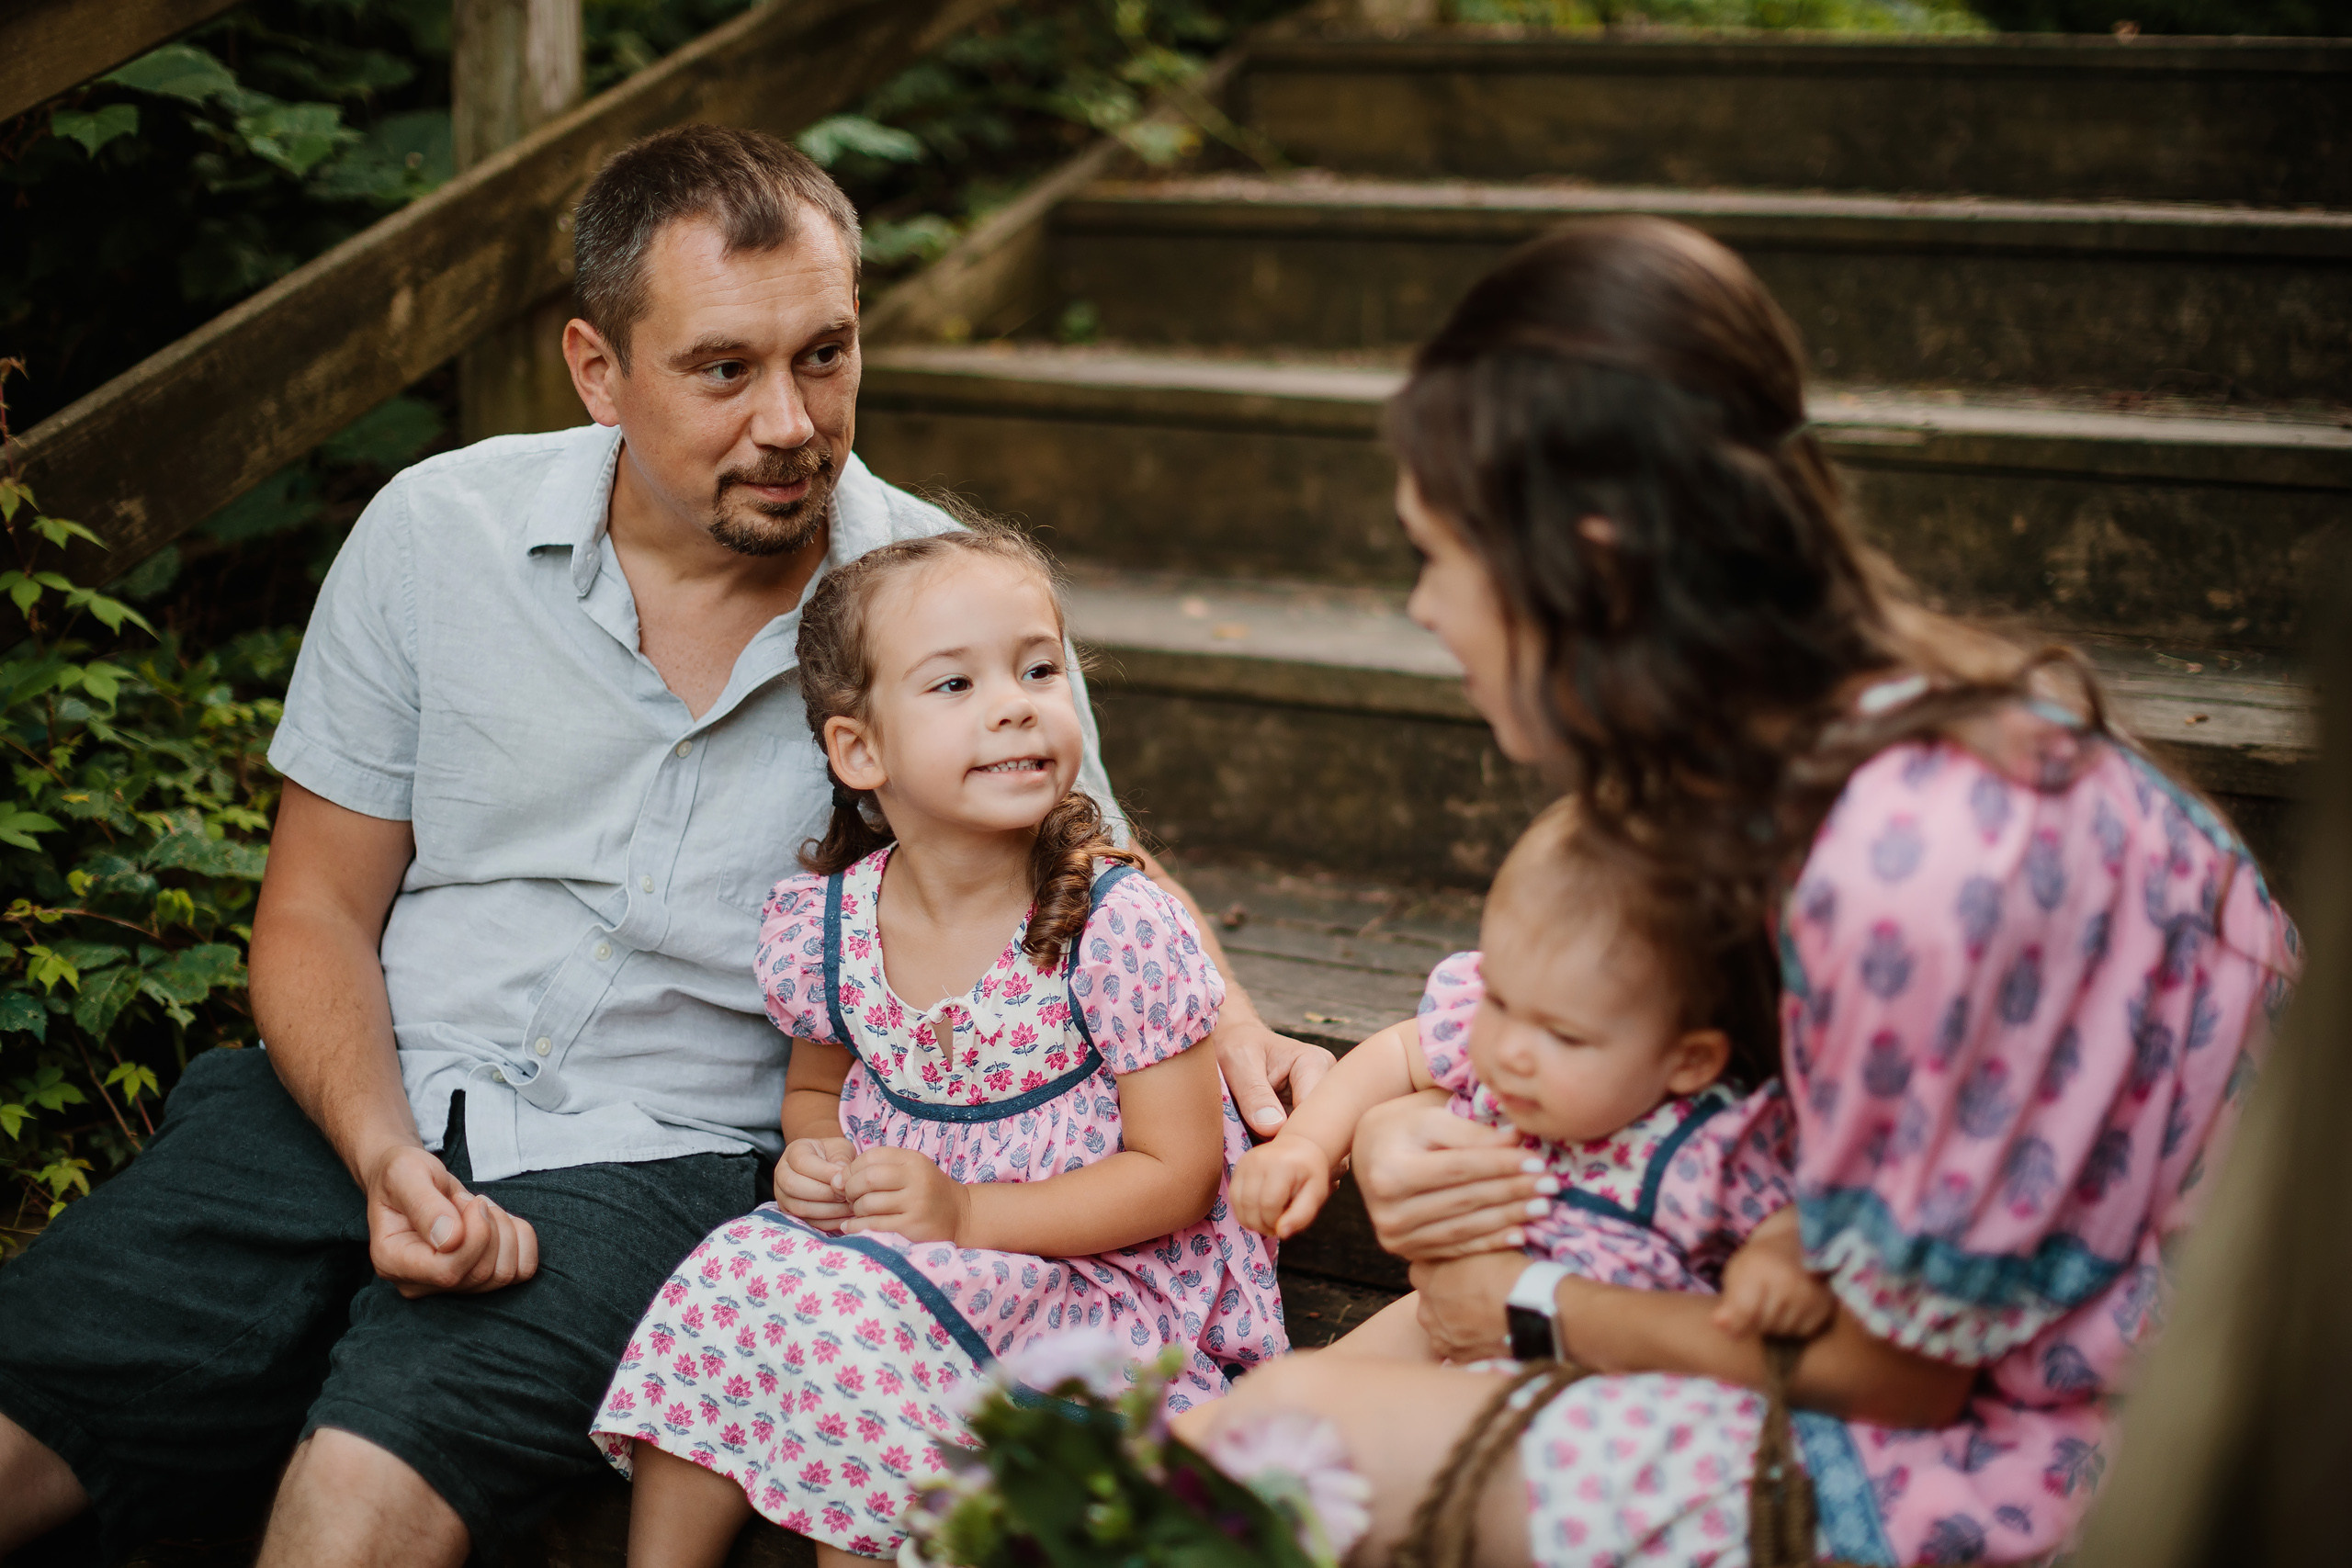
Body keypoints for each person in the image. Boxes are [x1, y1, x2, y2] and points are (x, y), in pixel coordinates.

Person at [0, 126, 1326, 1568]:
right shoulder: (437, 533)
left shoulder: (934, 606)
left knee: (358, 1504)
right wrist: (380, 1149)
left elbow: (1086, 851)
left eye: (825, 354)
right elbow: (316, 908)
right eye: (723, 368)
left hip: (653, 1163)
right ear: (596, 368)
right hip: (343, 1095)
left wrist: (1236, 1018)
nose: (791, 420)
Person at [1174, 215, 2298, 1566]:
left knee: (1278, 1443)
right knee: (1258, 1435)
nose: (1422, 605)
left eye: (1438, 552)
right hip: (1879, 1343)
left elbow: (1897, 1377)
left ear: (1591, 559)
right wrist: (1395, 1132)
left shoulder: (1914, 866)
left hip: (2070, 1448)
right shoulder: (1796, 765)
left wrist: (1535, 1303)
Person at [593, 525, 1284, 1565]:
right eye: (954, 686)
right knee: (737, 1266)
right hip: (902, 1252)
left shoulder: (1115, 925)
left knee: (861, 1322)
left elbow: (1178, 1176)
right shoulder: (829, 925)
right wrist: (815, 1157)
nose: (1015, 702)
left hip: (1089, 1280)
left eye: (1038, 670)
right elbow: (816, 1094)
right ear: (858, 750)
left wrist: (965, 1214)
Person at [1233, 798, 1832, 1357]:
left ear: (1688, 1060)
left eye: (1565, 1035)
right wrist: (1307, 1144)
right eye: (1497, 997)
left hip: (1595, 1363)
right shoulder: (1516, 1029)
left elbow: (1786, 1210)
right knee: (1289, 1397)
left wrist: (1778, 1258)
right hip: (1458, 1305)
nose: (1509, 1047)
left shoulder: (1707, 1144)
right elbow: (1395, 1052)